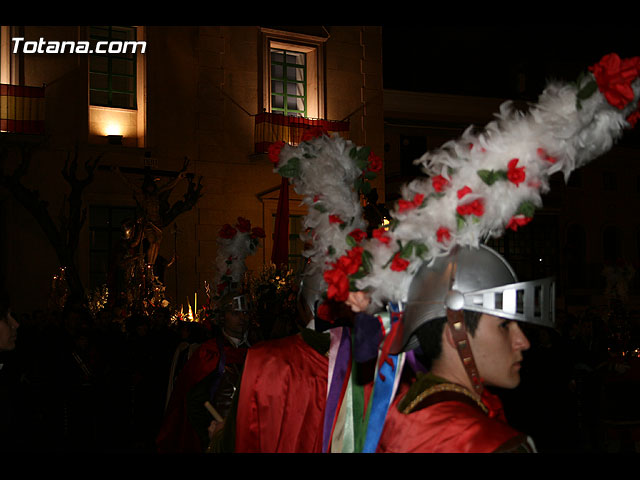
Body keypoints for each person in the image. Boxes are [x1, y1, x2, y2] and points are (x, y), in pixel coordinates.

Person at [375, 245, 553, 453]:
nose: (523, 341)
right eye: (504, 326)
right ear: (456, 335)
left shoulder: (399, 411)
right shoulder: (492, 444)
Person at [155, 293, 251, 453]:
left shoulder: (255, 349)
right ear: (223, 317)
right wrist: (212, 438)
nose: (242, 318)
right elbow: (194, 403)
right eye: (235, 313)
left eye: (246, 313)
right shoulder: (209, 353)